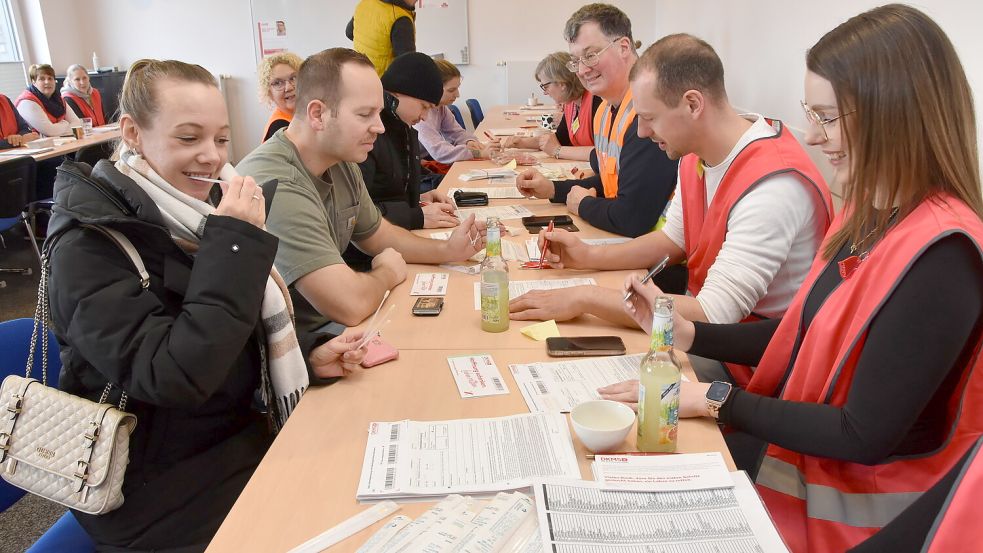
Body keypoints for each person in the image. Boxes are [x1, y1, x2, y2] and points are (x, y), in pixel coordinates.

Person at [604, 6, 983, 552]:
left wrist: (715, 400)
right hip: (802, 471)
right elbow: (801, 332)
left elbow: (863, 433)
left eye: (828, 117)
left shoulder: (944, 255)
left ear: (894, 115)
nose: (812, 133)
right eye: (812, 113)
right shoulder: (871, 214)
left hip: (851, 519)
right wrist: (690, 336)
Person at [45, 59, 367, 552]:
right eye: (188, 138)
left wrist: (306, 352)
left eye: (220, 139)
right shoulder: (87, 246)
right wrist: (234, 243)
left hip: (231, 441)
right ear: (132, 132)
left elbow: (225, 325)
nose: (212, 158)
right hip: (153, 490)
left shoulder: (185, 215)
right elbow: (177, 374)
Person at [511, 34, 833, 387]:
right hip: (697, 331)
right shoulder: (696, 151)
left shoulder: (772, 187)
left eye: (649, 117)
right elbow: (670, 240)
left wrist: (585, 297)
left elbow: (713, 315)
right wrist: (586, 255)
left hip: (742, 362)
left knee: (570, 380)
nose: (642, 132)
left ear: (693, 104)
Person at [236, 48, 484, 334]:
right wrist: (388, 272)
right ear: (317, 114)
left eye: (379, 113)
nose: (379, 127)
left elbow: (379, 235)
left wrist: (448, 250)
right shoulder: (276, 179)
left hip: (327, 327)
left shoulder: (341, 160)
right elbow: (349, 304)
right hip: (298, 342)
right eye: (365, 114)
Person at [514, 3, 676, 238]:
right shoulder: (605, 111)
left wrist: (583, 205)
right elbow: (614, 182)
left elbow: (632, 218)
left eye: (590, 56)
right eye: (576, 60)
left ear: (623, 47)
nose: (581, 70)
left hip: (654, 261)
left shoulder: (647, 114)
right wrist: (552, 188)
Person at [358, 52, 456, 231]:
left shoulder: (402, 129)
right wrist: (416, 216)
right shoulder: (369, 135)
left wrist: (417, 199)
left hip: (396, 236)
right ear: (397, 93)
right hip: (374, 252)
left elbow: (388, 193)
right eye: (424, 107)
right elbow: (358, 215)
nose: (425, 116)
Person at [501, 51, 600, 161]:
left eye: (546, 86)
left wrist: (558, 151)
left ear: (562, 83)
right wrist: (521, 142)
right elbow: (559, 139)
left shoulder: (597, 101)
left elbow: (602, 153)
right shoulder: (571, 104)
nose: (545, 93)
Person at [414, 59, 490, 164]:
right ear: (433, 88)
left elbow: (457, 132)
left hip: (428, 159)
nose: (457, 95)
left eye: (457, 88)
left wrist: (469, 141)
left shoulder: (441, 108)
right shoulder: (420, 114)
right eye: (451, 90)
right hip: (419, 166)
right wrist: (477, 153)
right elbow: (440, 152)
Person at [346, 0, 417, 76]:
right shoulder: (400, 19)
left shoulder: (364, 3)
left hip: (359, 74)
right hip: (382, 82)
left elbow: (349, 33)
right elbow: (408, 64)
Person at [15, 63, 81, 136]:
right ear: (33, 82)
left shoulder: (58, 99)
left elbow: (78, 124)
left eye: (50, 78)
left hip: (61, 143)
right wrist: (65, 123)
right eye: (42, 79)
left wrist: (56, 129)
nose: (47, 82)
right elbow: (51, 132)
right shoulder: (27, 102)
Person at [257, 52, 302, 142]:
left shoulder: (304, 117)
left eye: (293, 78)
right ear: (269, 92)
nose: (288, 87)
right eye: (277, 83)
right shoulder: (279, 128)